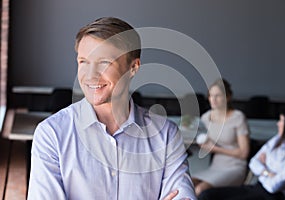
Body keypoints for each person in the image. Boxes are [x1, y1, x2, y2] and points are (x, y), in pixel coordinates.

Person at [27, 17, 196, 200]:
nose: (90, 75)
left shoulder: (166, 135)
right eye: (83, 62)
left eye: (104, 62)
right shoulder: (51, 134)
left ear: (133, 67)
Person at [199, 108, 285, 200]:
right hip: (257, 187)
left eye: (281, 121)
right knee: (207, 195)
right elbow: (253, 162)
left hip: (271, 196)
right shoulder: (277, 140)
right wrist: (268, 172)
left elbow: (273, 187)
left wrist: (263, 168)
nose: (278, 124)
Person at [192, 78, 250, 196]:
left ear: (227, 97)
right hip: (216, 166)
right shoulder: (206, 117)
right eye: (210, 95)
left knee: (200, 190)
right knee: (187, 184)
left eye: (217, 96)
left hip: (235, 167)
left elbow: (244, 153)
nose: (213, 99)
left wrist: (214, 149)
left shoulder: (238, 117)